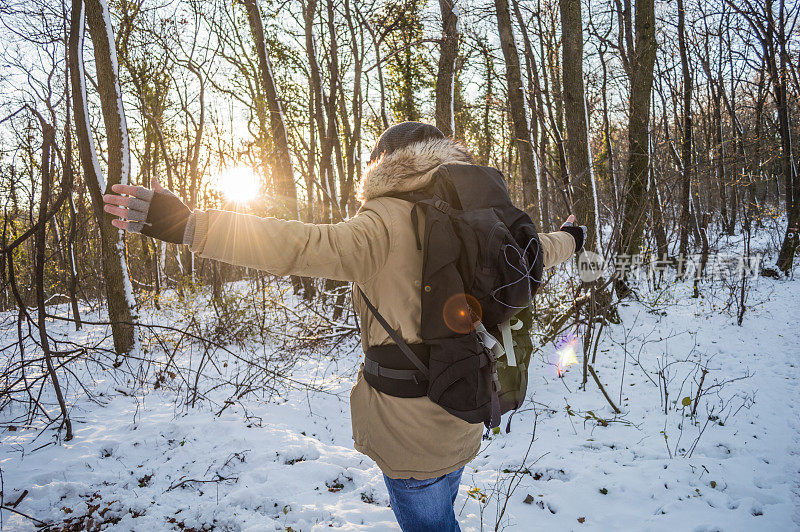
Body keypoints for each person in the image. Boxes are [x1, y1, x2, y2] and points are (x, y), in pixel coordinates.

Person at [103, 122, 585, 531]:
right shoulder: (484, 221)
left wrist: (190, 225)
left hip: (410, 427)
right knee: (443, 507)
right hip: (469, 401)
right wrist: (572, 236)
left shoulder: (383, 223)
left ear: (383, 167)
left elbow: (293, 245)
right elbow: (539, 252)